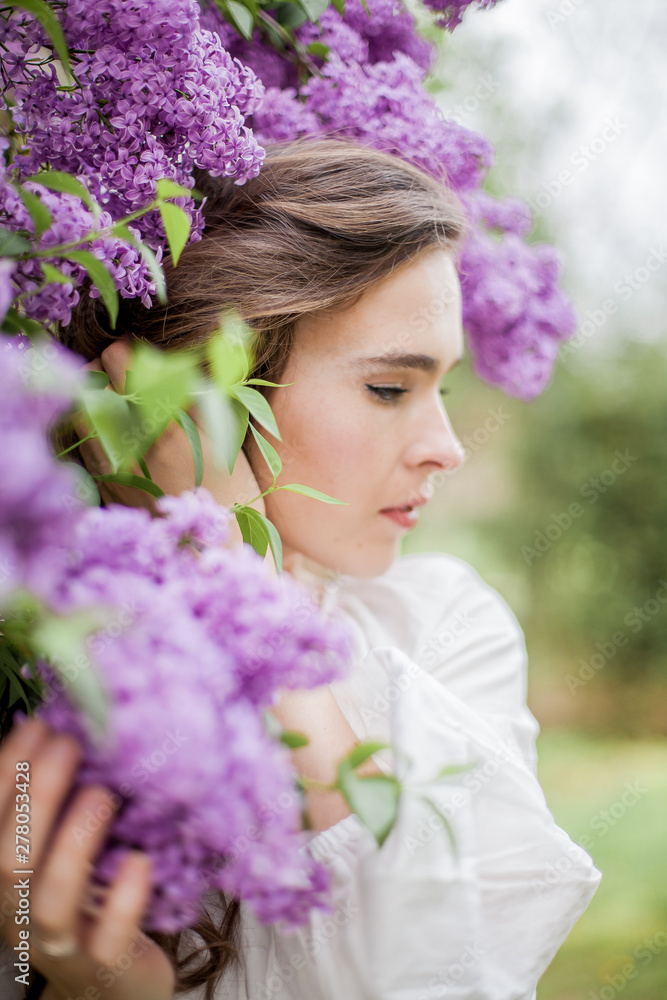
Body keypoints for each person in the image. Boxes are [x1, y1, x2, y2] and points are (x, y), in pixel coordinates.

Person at [0, 139, 601, 1000]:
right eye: (390, 389)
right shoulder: (36, 646)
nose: (447, 448)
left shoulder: (438, 628)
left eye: (442, 390)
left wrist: (231, 559)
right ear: (206, 392)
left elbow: (430, 980)